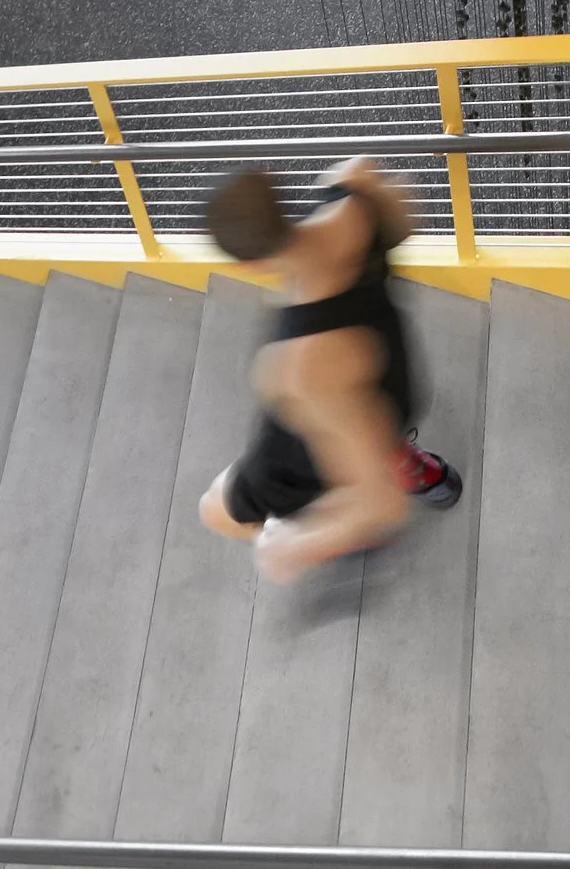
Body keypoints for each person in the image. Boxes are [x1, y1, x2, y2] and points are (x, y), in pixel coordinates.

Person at [197, 157, 462, 581]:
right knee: (367, 431)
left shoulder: (297, 365)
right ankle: (412, 465)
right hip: (394, 378)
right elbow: (406, 222)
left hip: (318, 441)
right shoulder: (354, 185)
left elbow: (384, 505)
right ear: (274, 183)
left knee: (215, 509)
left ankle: (348, 502)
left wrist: (295, 546)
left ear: (246, 264)